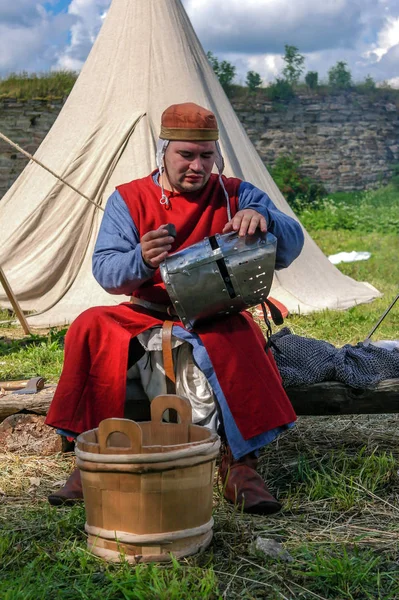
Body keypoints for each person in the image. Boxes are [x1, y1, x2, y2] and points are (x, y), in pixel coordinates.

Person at [46, 102, 304, 514]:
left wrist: (264, 218)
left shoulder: (237, 194)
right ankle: (90, 459)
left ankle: (241, 467)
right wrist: (141, 259)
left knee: (239, 333)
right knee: (90, 325)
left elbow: (294, 244)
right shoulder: (129, 198)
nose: (197, 166)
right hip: (147, 309)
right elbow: (106, 271)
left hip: (214, 311)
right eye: (186, 155)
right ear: (163, 152)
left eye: (206, 156)